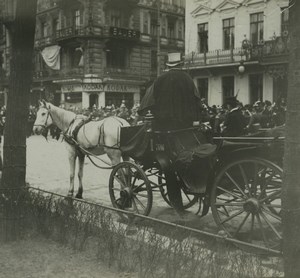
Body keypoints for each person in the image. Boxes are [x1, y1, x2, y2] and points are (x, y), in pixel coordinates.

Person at [138, 53, 202, 217]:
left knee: (168, 166)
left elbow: (146, 104)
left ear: (168, 65)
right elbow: (197, 101)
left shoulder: (160, 80)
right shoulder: (188, 79)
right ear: (180, 64)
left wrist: (149, 112)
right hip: (187, 131)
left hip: (167, 132)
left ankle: (177, 203)